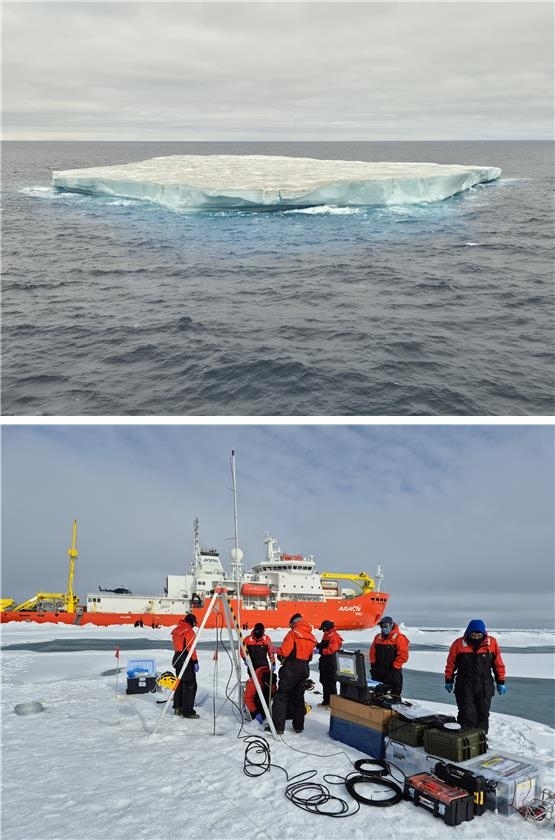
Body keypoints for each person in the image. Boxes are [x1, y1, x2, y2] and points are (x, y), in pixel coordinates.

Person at [444, 619, 507, 733]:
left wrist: (500, 682)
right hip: (464, 685)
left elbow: (498, 664)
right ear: (468, 632)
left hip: (484, 686)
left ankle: (480, 739)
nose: (476, 637)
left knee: (483, 713)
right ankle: (465, 738)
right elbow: (451, 664)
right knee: (467, 713)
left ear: (483, 633)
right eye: (473, 634)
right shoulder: (458, 644)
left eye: (479, 635)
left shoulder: (491, 643)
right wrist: (449, 679)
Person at [268, 613, 316, 735]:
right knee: (298, 697)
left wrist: (274, 649)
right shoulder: (311, 636)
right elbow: (310, 656)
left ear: (294, 623)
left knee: (281, 697)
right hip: (305, 668)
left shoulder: (293, 634)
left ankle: (277, 727)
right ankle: (298, 726)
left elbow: (284, 651)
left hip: (292, 668)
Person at [369, 616, 409, 696]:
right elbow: (372, 652)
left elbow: (403, 655)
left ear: (391, 625)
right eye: (382, 626)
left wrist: (394, 668)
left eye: (386, 626)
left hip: (393, 672)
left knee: (394, 695)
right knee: (377, 694)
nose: (384, 628)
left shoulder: (399, 638)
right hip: (379, 671)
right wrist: (373, 665)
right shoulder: (378, 638)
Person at [171, 613, 200, 719]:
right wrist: (195, 661)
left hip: (177, 658)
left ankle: (178, 708)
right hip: (186, 659)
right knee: (190, 685)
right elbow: (190, 648)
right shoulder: (189, 631)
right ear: (191, 622)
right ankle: (188, 711)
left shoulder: (177, 629)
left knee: (179, 684)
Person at [316, 620, 343, 707]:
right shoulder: (326, 635)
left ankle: (332, 704)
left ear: (327, 628)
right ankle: (326, 701)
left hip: (331, 662)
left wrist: (320, 651)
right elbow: (323, 646)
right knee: (324, 680)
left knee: (330, 682)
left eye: (324, 629)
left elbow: (331, 650)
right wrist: (317, 645)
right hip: (324, 661)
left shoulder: (334, 636)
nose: (323, 631)